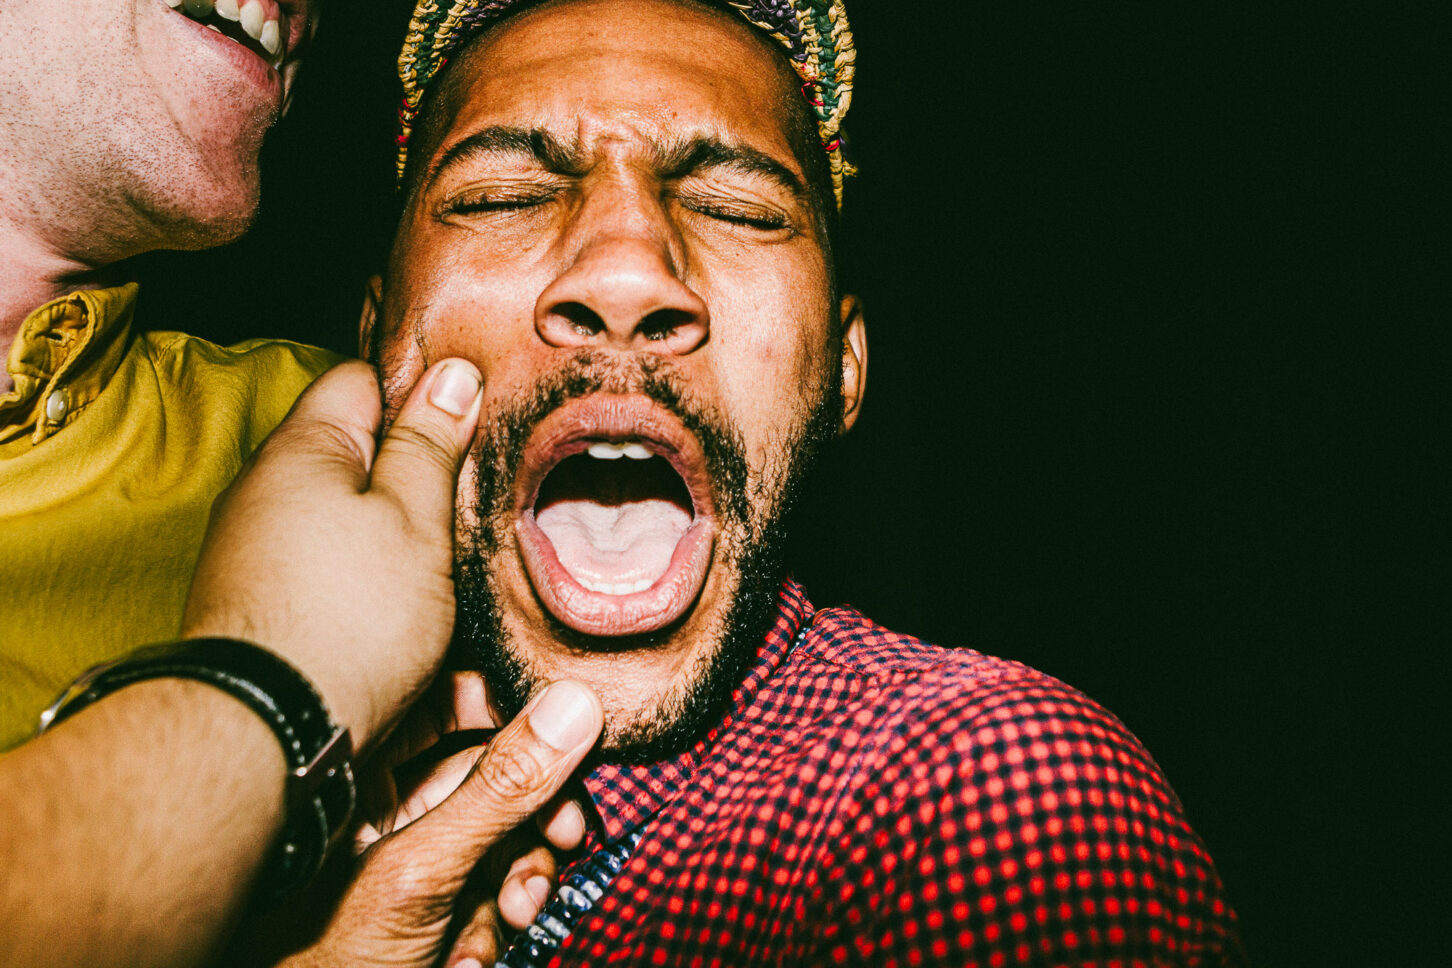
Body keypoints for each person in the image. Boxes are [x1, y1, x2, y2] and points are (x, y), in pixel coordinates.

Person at [253, 0, 1249, 964]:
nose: (625, 274)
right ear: (381, 341)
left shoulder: (983, 796)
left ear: (843, 370)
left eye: (735, 207)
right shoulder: (258, 821)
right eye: (502, 197)